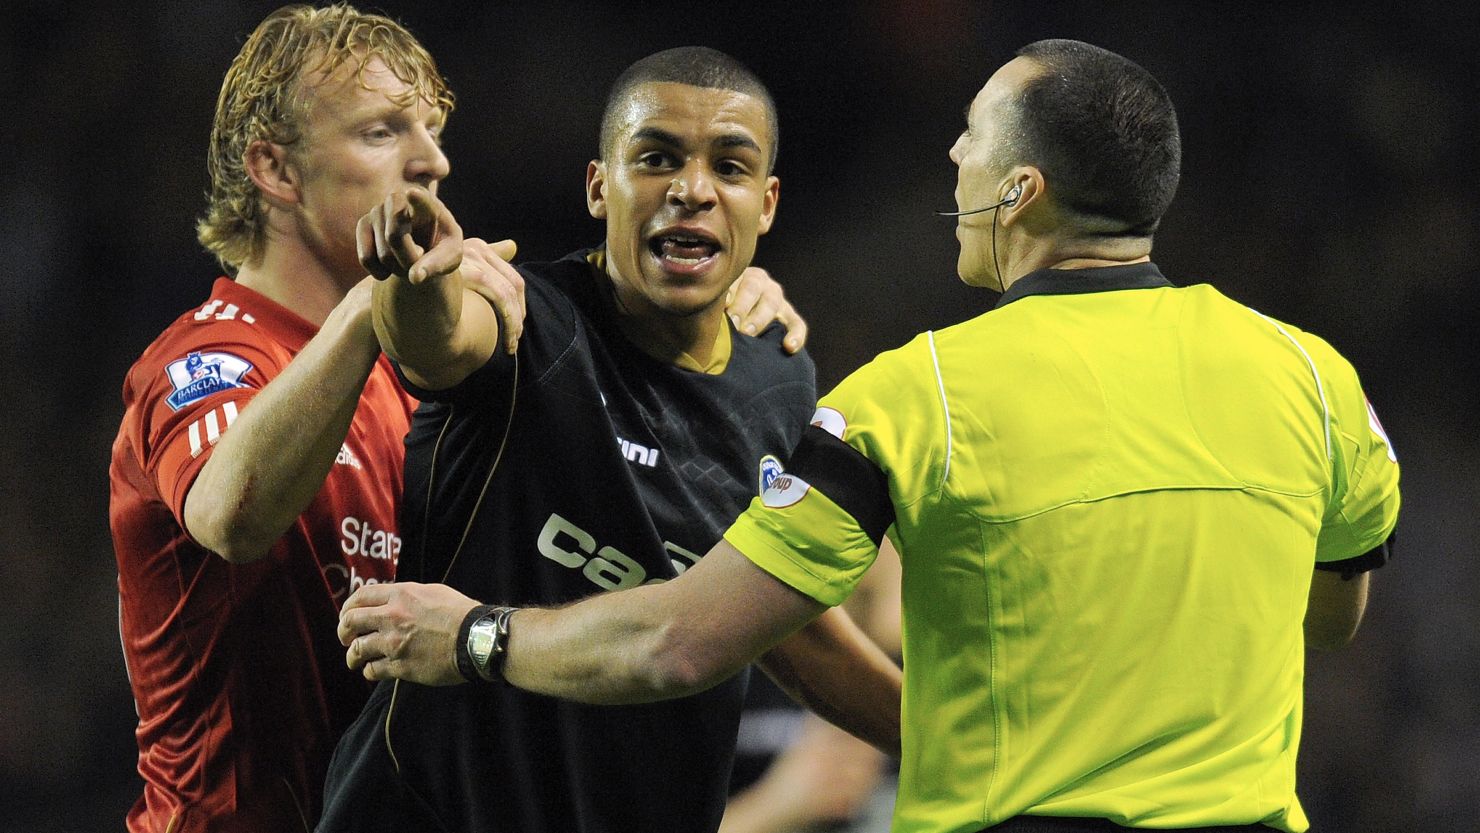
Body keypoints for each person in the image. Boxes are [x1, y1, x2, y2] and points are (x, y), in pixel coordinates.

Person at [338, 39, 1402, 833]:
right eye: (657, 157)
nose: (952, 154)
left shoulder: (915, 392)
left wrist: (477, 636)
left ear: (1019, 189)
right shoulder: (1315, 378)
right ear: (598, 185)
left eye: (974, 135)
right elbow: (1327, 615)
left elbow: (689, 637)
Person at [108, 7, 804, 831]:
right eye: (381, 132)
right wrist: (374, 301)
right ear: (276, 169)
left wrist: (716, 312)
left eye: (432, 132)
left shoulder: (425, 373)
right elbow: (231, 515)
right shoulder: (210, 360)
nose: (432, 161)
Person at [318, 46, 901, 833]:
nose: (692, 190)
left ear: (765, 205)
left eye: (728, 167)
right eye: (657, 158)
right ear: (600, 186)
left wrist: (978, 743)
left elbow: (780, 623)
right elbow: (439, 339)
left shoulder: (780, 381)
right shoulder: (532, 322)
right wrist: (408, 274)